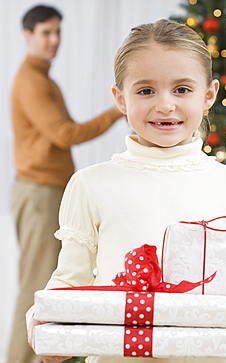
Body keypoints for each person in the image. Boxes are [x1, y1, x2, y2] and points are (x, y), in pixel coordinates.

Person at [27, 19, 226, 363]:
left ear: (208, 95)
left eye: (182, 89)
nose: (165, 105)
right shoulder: (90, 184)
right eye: (146, 90)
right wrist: (45, 323)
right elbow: (69, 280)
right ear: (120, 98)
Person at [8, 5, 123, 363]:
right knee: (36, 291)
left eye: (58, 32)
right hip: (39, 194)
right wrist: (118, 109)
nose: (54, 40)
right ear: (28, 36)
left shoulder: (43, 79)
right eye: (46, 32)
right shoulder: (31, 81)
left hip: (48, 192)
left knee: (51, 288)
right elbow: (64, 134)